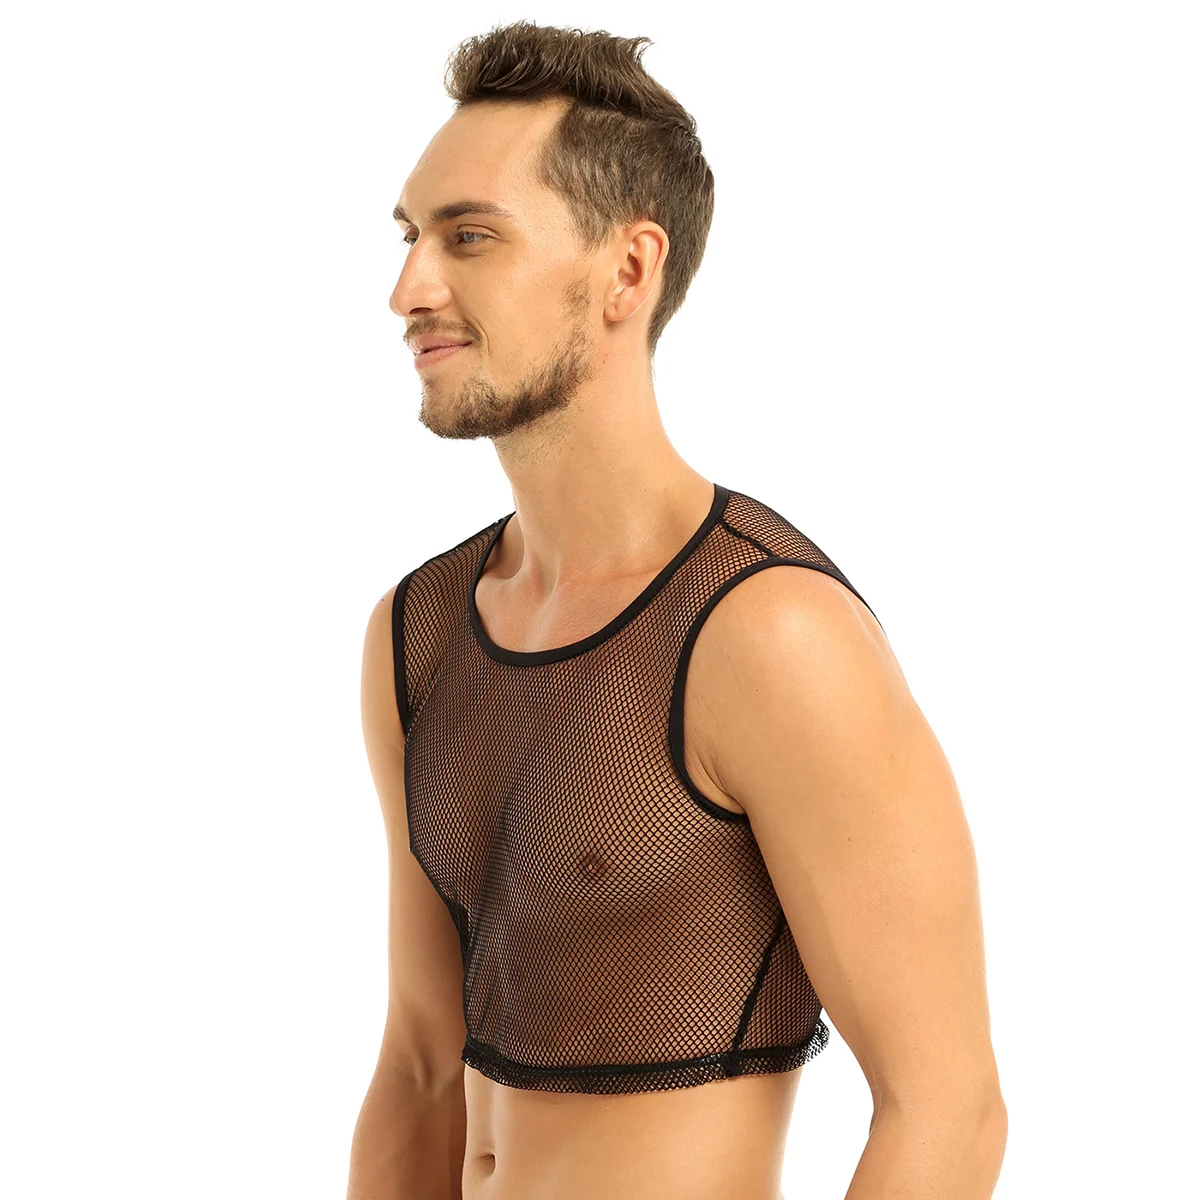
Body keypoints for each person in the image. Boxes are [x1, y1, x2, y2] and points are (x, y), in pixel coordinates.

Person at [347, 20, 1006, 1200]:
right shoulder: (420, 630)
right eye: (411, 236)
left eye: (470, 237)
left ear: (627, 271)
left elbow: (946, 1113)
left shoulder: (768, 635)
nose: (410, 289)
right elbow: (419, 1070)